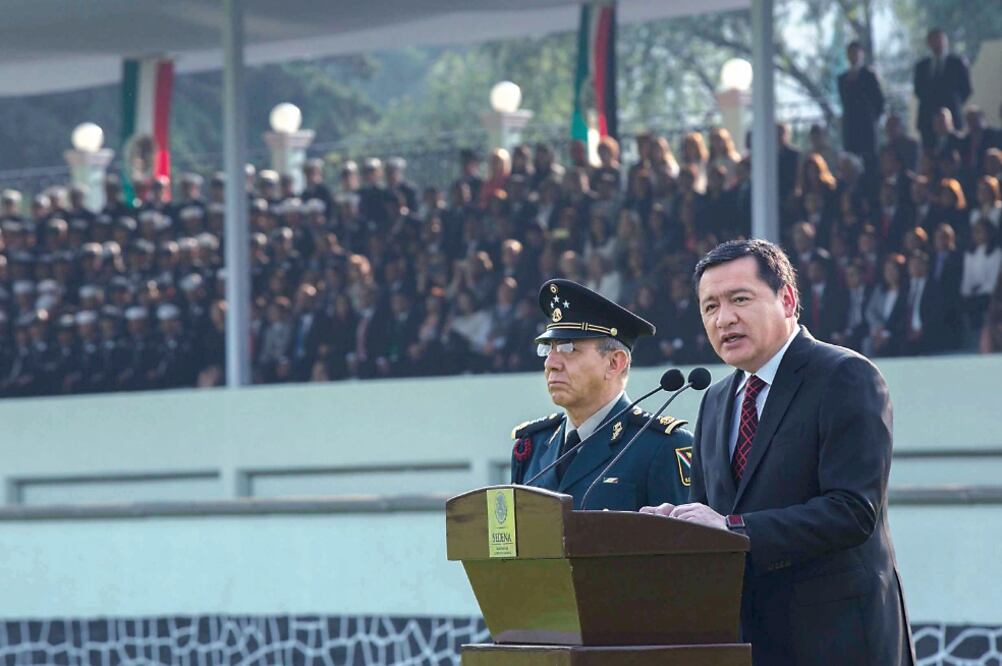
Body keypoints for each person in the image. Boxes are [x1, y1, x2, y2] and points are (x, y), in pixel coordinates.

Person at [641, 239, 914, 666]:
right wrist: (676, 525)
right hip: (748, 642)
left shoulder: (845, 376)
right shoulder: (714, 400)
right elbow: (708, 511)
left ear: (786, 299)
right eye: (709, 307)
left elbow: (852, 510)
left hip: (836, 641)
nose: (723, 318)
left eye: (740, 299)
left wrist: (733, 527)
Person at [510, 278, 692, 511]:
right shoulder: (532, 445)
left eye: (568, 348)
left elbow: (685, 543)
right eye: (548, 348)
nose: (551, 363)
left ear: (615, 363)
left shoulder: (660, 445)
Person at [913, 28, 972, 148]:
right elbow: (918, 90)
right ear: (928, 43)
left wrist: (951, 104)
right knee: (929, 152)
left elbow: (966, 89)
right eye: (933, 40)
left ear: (945, 41)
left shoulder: (957, 63)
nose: (937, 43)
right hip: (927, 118)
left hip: (952, 117)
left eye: (939, 39)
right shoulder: (921, 66)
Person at [838, 40, 885, 168]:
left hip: (867, 127)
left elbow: (879, 101)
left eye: (855, 52)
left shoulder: (869, 75)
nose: (853, 55)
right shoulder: (842, 79)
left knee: (869, 161)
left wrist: (871, 118)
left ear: (861, 54)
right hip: (851, 129)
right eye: (850, 53)